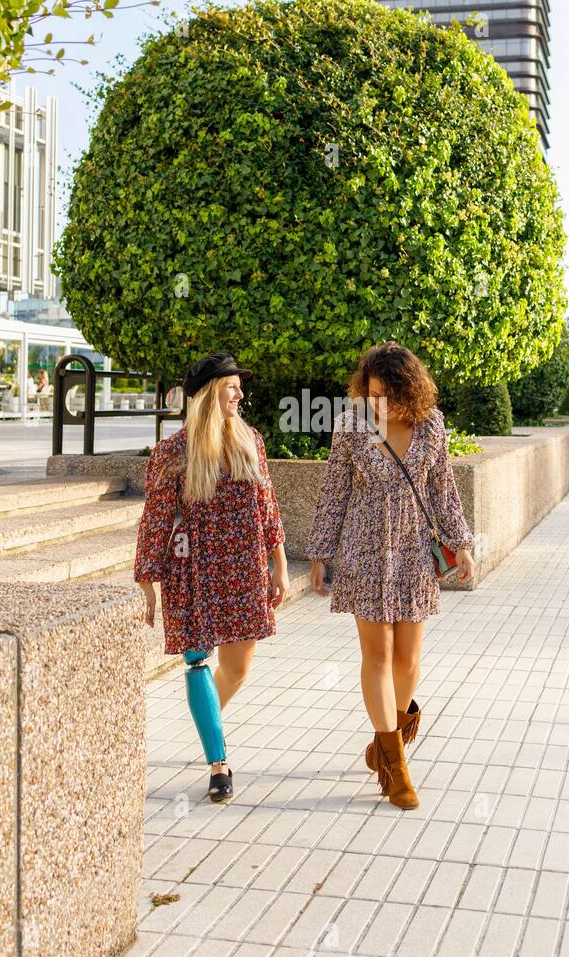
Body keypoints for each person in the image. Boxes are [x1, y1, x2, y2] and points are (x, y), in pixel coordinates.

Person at [307, 342, 476, 811]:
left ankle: (384, 742)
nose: (378, 402)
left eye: (388, 393)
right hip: (364, 551)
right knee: (377, 655)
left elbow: (444, 491)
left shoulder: (432, 426)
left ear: (411, 391)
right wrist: (320, 553)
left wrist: (461, 544)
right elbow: (333, 492)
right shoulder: (351, 427)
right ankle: (397, 768)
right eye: (372, 392)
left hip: (413, 553)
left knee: (408, 660)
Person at [134, 352, 289, 803]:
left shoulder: (250, 439)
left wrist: (279, 563)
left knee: (238, 669)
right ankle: (218, 761)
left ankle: (207, 722)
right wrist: (147, 580)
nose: (240, 393)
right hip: (194, 569)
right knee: (198, 661)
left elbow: (268, 506)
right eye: (231, 386)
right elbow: (156, 520)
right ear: (206, 394)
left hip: (245, 567)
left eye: (240, 386)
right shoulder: (173, 451)